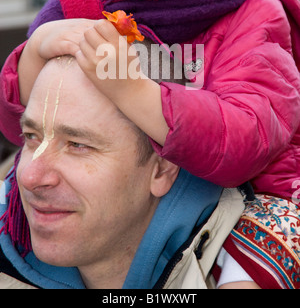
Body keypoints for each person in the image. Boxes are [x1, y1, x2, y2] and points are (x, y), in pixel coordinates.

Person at [0, 0, 300, 288]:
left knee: (266, 247)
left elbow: (244, 138)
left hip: (251, 194)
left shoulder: (251, 18)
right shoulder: (83, 8)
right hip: (127, 206)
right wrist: (38, 51)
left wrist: (133, 91)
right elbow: (14, 125)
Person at [0, 55, 244, 289]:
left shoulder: (253, 269)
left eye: (78, 145)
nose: (30, 177)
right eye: (31, 137)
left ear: (162, 169)